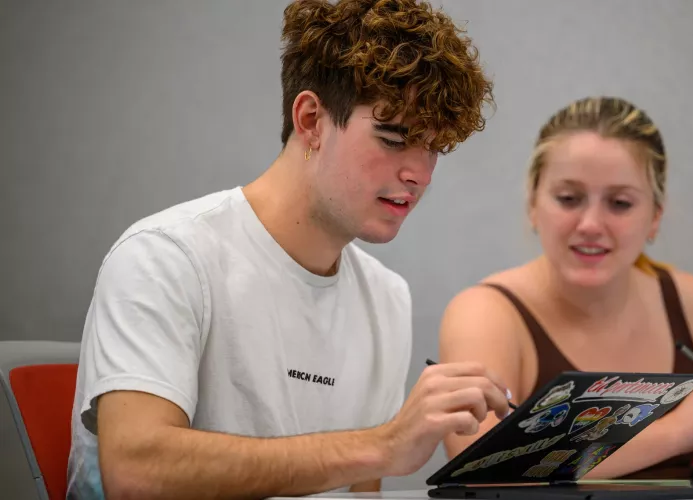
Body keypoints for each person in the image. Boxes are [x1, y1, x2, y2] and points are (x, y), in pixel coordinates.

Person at [66, 1, 511, 498]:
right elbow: (136, 475)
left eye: (434, 147)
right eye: (393, 137)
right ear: (311, 120)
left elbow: (359, 492)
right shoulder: (165, 256)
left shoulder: (386, 297)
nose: (420, 174)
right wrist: (383, 444)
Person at [438, 96, 693, 480]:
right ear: (532, 204)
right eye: (568, 198)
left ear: (654, 218)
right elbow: (480, 463)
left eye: (620, 203)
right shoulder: (487, 314)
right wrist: (677, 430)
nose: (591, 224)